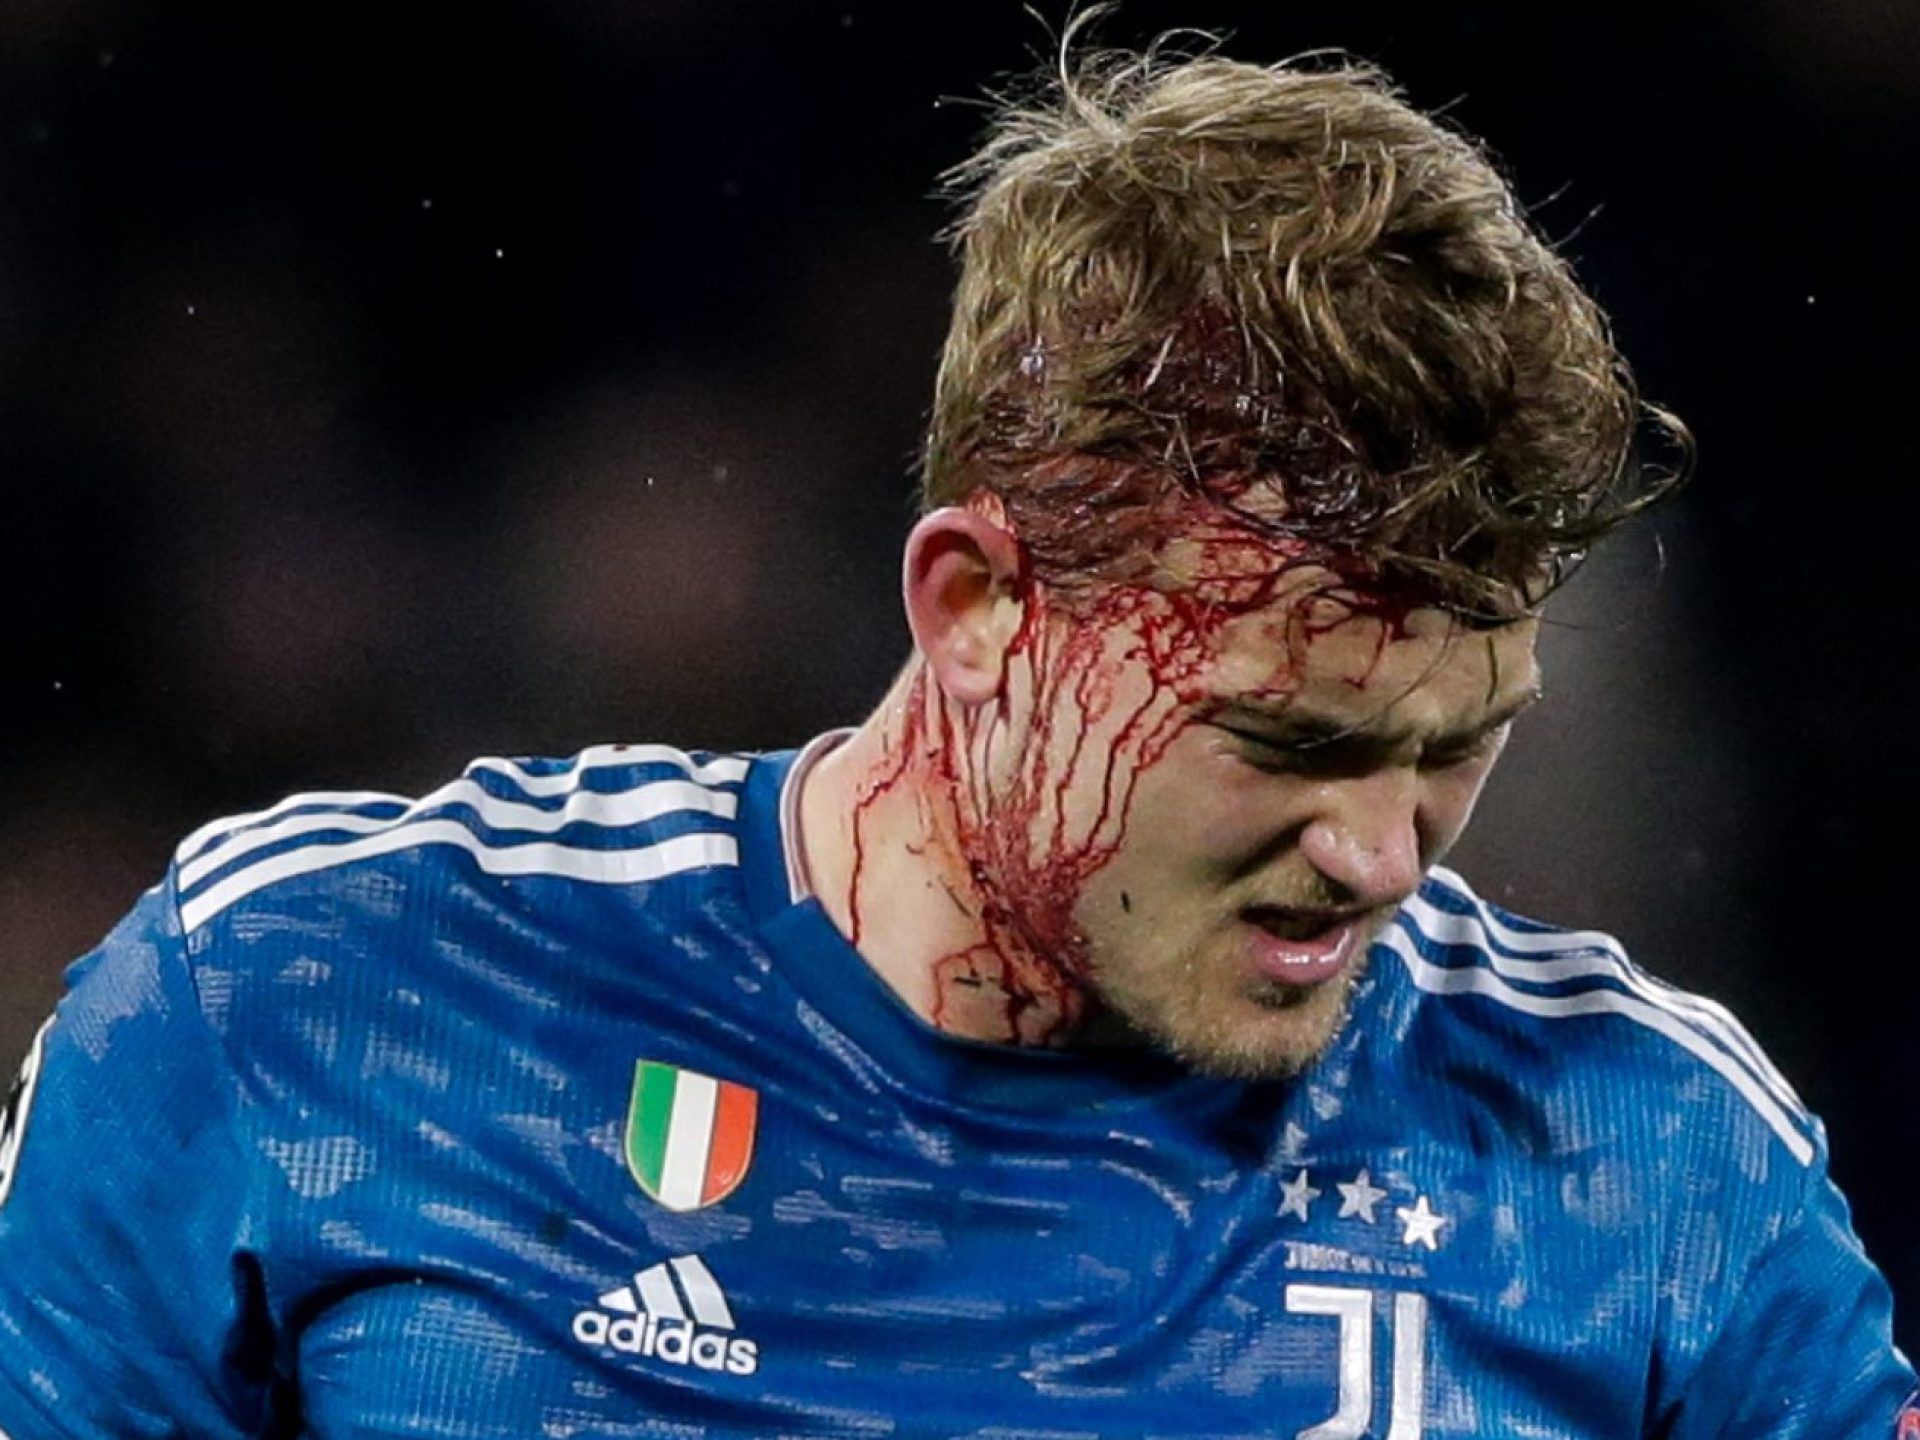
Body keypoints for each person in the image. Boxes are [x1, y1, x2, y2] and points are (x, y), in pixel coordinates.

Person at [0, 36, 1909, 1440]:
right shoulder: (308, 1007)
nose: (1381, 856)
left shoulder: (1645, 1167)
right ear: (979, 607)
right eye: (1287, 739)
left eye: (1453, 745)